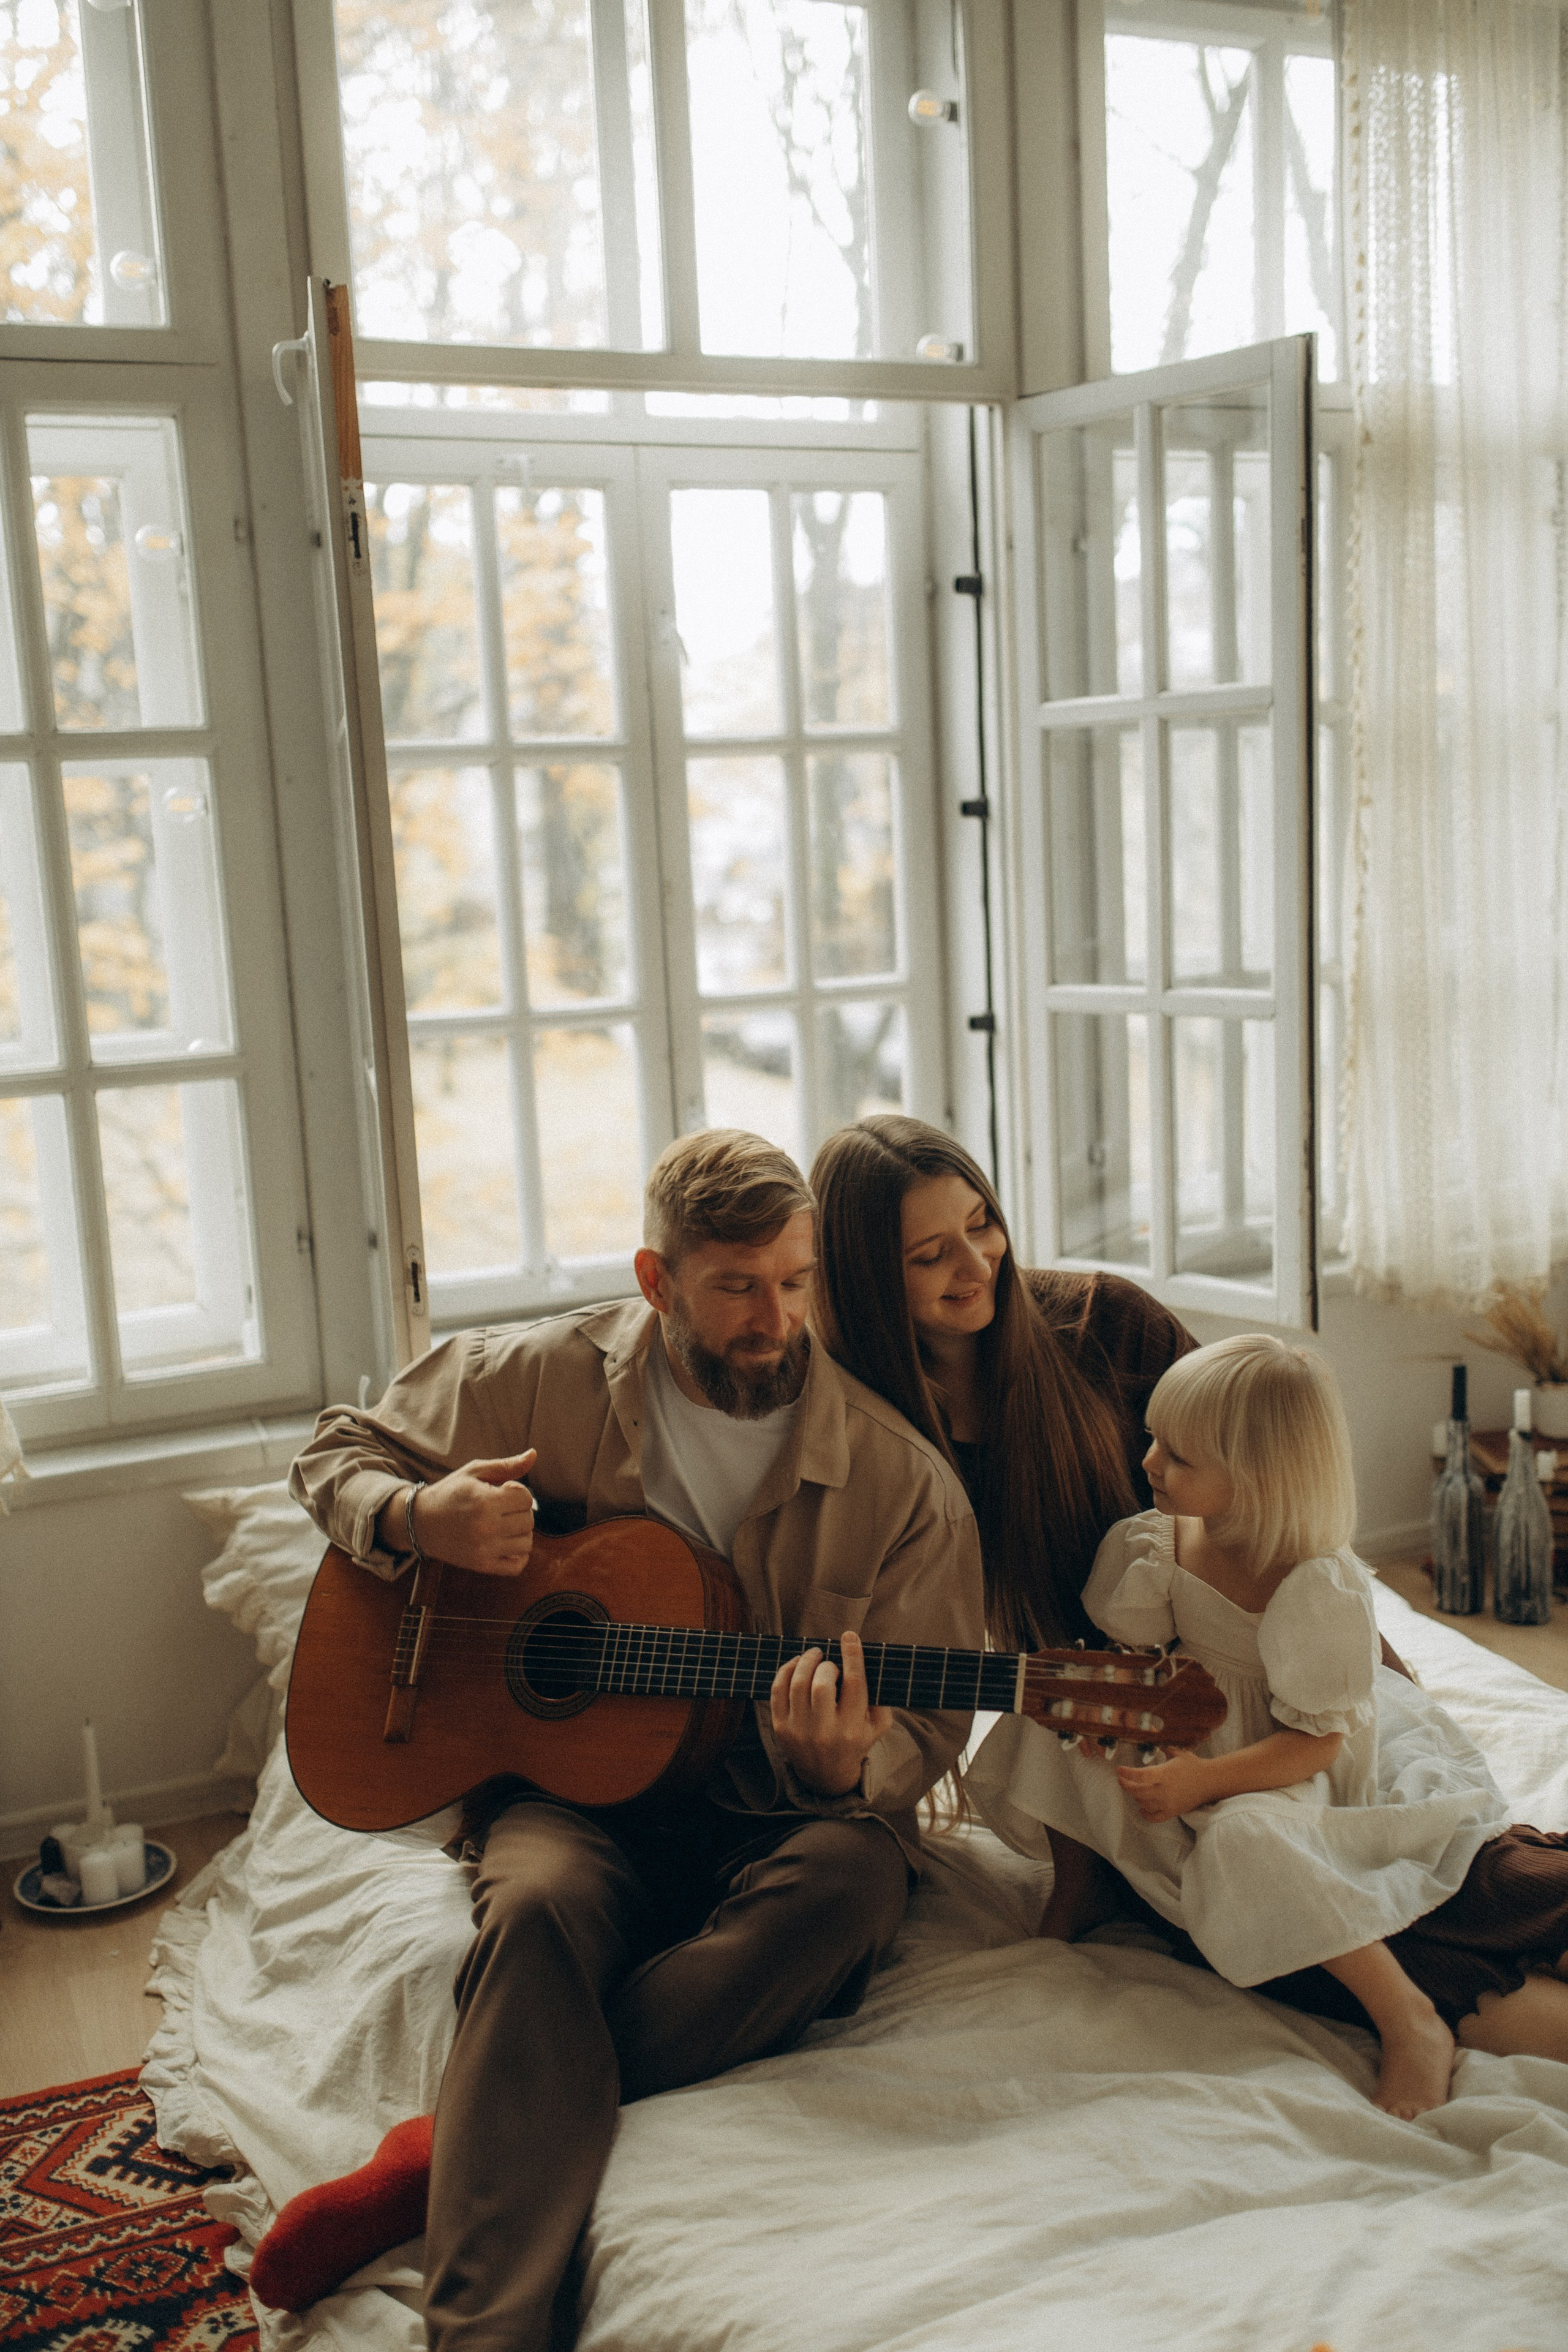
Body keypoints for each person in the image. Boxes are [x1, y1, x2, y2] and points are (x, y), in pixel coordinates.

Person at [263, 1128, 984, 2346]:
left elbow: (928, 1721)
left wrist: (846, 1763)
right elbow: (337, 1453)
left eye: (794, 1284)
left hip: (770, 1811)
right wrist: (415, 1511)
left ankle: (452, 2151)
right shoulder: (535, 1379)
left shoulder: (897, 1482)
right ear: (658, 1284)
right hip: (565, 1805)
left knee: (856, 1883)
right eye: (736, 1287)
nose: (774, 1319)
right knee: (532, 1907)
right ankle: (484, 2333)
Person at [808, 1114, 1568, 2084]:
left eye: (983, 1223)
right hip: (1124, 1721)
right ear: (872, 1277)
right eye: (930, 1254)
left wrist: (1353, 1706)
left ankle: (1445, 1979)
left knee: (1430, 1870)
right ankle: (1419, 2001)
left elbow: (1279, 1498)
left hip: (1276, 1683)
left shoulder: (1103, 1326)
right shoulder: (867, 1426)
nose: (978, 1262)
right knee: (1253, 1896)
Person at [967, 1333, 1512, 2117]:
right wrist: (1109, 1711)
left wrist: (1204, 1780)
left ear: (1257, 1478)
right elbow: (1144, 1648)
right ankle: (1081, 1891)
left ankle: (1409, 2019)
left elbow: (1319, 1741)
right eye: (1153, 1439)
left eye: (1178, 1456)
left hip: (1287, 1763)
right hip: (1193, 1723)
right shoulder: (1162, 1537)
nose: (1149, 1462)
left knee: (1246, 1840)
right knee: (1046, 1723)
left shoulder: (1311, 1582)